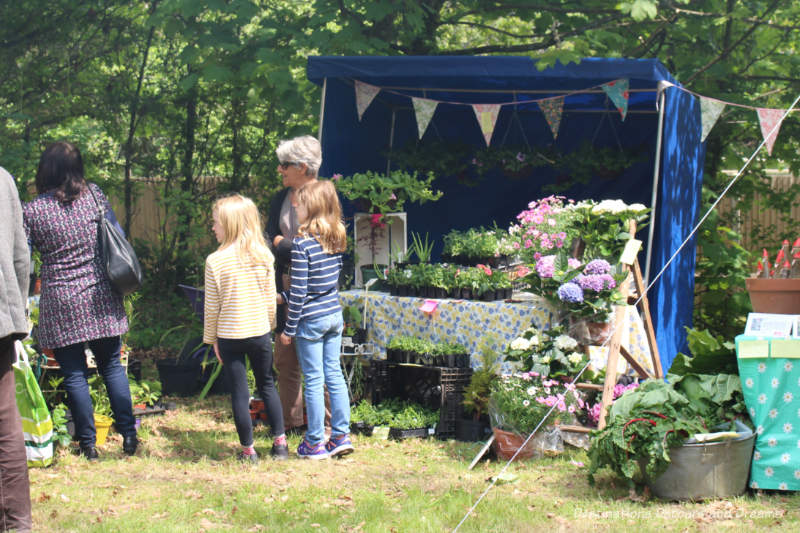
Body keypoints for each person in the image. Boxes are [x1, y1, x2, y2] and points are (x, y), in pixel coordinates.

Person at [22, 141, 138, 460]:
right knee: (112, 366)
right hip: (101, 293)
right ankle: (129, 436)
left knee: (74, 374)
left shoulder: (32, 210)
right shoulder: (95, 196)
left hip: (61, 299)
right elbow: (117, 233)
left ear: (46, 169)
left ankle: (88, 444)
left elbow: (24, 258)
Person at [204, 194, 287, 462]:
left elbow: (212, 308)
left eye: (216, 223)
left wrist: (211, 339)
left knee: (240, 392)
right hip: (259, 332)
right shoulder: (263, 255)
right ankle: (280, 444)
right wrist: (270, 326)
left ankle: (248, 451)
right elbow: (269, 297)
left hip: (229, 336)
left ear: (229, 225)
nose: (213, 228)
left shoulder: (215, 261)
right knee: (267, 385)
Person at [279, 180, 352, 459]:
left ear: (314, 208)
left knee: (312, 379)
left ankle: (314, 442)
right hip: (333, 315)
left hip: (310, 321)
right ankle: (341, 435)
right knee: (334, 375)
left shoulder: (302, 244)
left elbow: (300, 291)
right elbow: (322, 285)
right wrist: (282, 297)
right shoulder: (335, 240)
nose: (295, 205)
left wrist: (289, 328)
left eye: (301, 202)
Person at [266, 135, 320, 433]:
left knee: (316, 359)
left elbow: (325, 245)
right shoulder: (280, 198)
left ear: (302, 166)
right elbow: (269, 237)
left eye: (284, 164)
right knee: (285, 359)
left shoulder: (323, 196)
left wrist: (285, 245)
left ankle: (324, 426)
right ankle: (290, 423)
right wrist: (293, 245)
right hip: (285, 281)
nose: (279, 170)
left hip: (315, 287)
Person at [0, 166, 33, 532]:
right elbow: (20, 255)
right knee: (5, 424)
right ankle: (15, 524)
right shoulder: (3, 178)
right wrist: (15, 312)